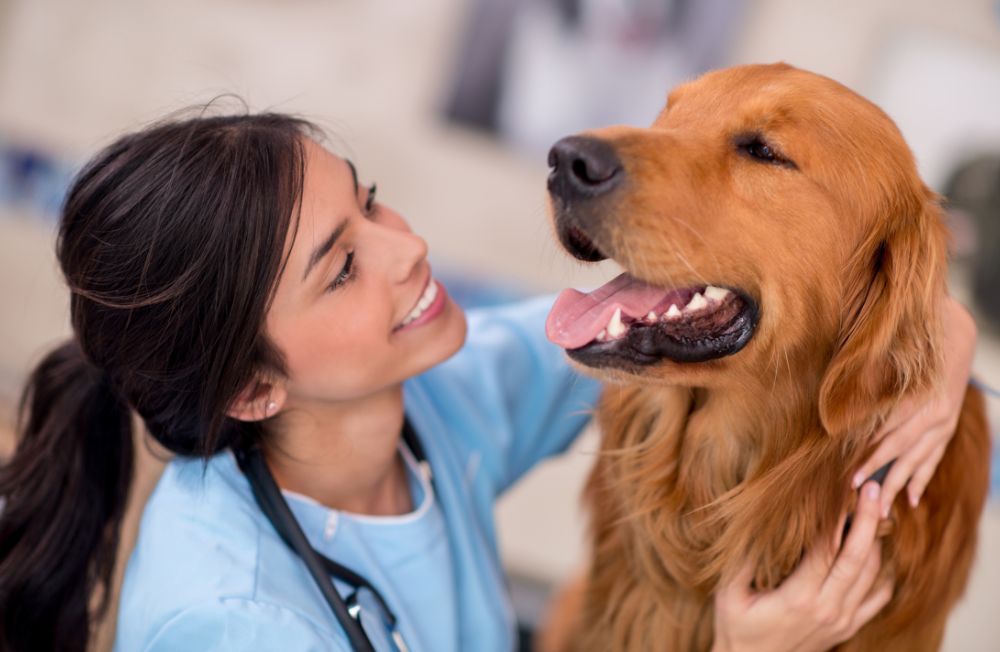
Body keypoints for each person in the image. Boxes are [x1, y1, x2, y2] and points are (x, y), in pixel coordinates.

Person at [0, 113, 976, 652]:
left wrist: (938, 334)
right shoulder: (232, 622)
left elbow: (700, 325)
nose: (408, 248)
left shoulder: (430, 401)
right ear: (253, 389)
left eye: (372, 203)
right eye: (342, 266)